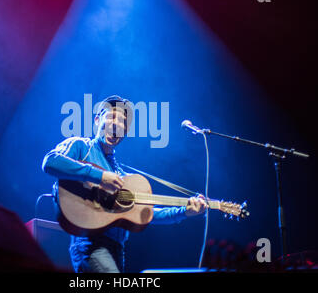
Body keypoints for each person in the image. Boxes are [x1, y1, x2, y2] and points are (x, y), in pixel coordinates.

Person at [42, 95, 208, 273]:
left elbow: (147, 213)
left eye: (123, 122)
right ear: (97, 120)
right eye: (112, 117)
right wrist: (99, 176)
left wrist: (185, 211)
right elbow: (50, 162)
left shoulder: (121, 175)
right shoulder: (81, 146)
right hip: (91, 244)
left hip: (117, 250)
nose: (117, 125)